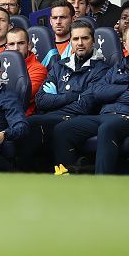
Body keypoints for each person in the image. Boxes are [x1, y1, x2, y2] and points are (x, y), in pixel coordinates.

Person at [52, 22, 129, 175]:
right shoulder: (118, 67)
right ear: (125, 44)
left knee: (107, 128)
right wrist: (128, 87)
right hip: (106, 116)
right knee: (63, 129)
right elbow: (98, 92)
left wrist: (112, 93)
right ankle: (69, 184)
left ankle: (103, 188)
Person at [17, 21, 109, 171]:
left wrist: (57, 96)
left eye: (85, 38)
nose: (80, 43)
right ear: (70, 41)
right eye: (75, 39)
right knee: (25, 124)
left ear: (93, 41)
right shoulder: (60, 65)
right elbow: (41, 100)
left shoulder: (101, 70)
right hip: (53, 116)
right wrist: (72, 96)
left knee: (34, 124)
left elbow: (85, 106)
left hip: (79, 120)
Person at [5, 27, 48, 116]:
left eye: (21, 43)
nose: (16, 48)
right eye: (12, 44)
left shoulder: (39, 69)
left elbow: (20, 97)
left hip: (21, 118)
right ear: (6, 47)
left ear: (29, 46)